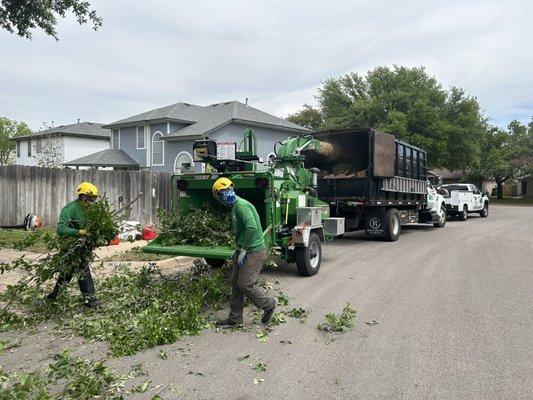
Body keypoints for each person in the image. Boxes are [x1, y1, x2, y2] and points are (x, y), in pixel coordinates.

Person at [212, 177, 277, 328]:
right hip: (242, 249)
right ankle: (235, 319)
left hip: (254, 251)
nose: (221, 199)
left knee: (245, 284)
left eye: (220, 195)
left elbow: (251, 227)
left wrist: (244, 249)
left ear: (224, 192)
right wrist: (238, 249)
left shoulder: (241, 205)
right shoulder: (235, 206)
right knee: (235, 284)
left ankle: (269, 304)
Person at [46, 182, 100, 307]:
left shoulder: (88, 209)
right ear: (84, 197)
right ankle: (90, 300)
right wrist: (78, 232)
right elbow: (60, 228)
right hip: (69, 245)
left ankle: (53, 296)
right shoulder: (70, 209)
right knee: (82, 269)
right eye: (91, 199)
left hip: (81, 245)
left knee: (67, 272)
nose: (93, 202)